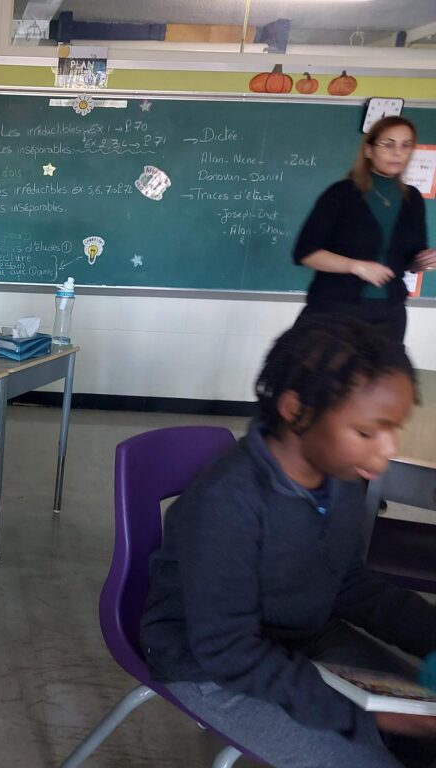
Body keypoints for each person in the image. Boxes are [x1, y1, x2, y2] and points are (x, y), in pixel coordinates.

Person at [141, 313, 436, 768]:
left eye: (393, 429)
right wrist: (364, 717)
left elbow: (347, 581)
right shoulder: (227, 501)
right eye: (367, 432)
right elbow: (228, 650)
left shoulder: (340, 475)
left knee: (424, 733)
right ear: (296, 411)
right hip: (211, 666)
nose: (388, 449)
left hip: (303, 633)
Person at [293, 116, 436, 344]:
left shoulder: (413, 199)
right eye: (388, 144)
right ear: (369, 150)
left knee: (387, 369)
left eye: (406, 145)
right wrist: (355, 266)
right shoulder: (341, 193)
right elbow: (305, 253)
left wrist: (425, 261)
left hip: (389, 315)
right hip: (334, 310)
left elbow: (411, 261)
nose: (397, 153)